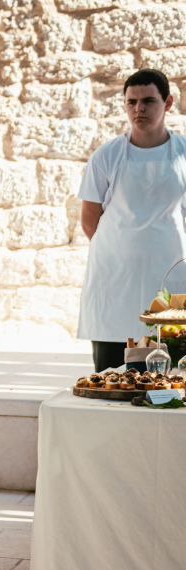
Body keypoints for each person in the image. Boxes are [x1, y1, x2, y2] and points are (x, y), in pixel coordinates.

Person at [77, 68, 186, 372]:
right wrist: (122, 252)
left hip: (168, 279)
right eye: (131, 102)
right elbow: (89, 220)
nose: (139, 109)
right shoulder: (106, 156)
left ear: (168, 103)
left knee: (171, 376)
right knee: (112, 375)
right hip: (114, 281)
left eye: (148, 100)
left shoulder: (184, 155)